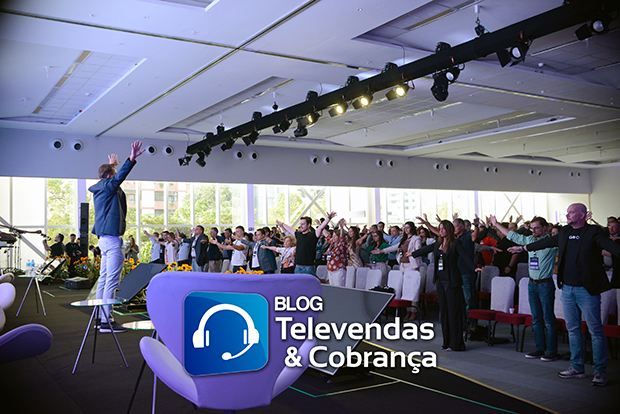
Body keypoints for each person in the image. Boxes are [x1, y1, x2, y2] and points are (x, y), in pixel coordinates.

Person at [509, 203, 620, 386]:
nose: (567, 215)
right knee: (573, 330)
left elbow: (610, 246)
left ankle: (600, 371)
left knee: (595, 331)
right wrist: (523, 248)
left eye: (571, 212)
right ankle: (577, 367)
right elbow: (545, 243)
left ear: (582, 215)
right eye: (567, 212)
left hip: (587, 290)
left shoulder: (593, 232)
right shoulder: (565, 231)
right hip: (567, 289)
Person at [89, 140, 145, 333]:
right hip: (112, 241)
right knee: (111, 281)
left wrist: (112, 165)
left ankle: (100, 318)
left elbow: (111, 176)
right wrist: (131, 159)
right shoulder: (109, 185)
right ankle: (107, 321)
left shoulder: (101, 187)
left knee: (104, 279)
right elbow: (119, 177)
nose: (116, 179)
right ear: (109, 177)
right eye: (113, 173)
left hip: (104, 240)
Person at [490, 215, 560, 362]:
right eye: (532, 228)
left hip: (545, 284)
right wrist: (496, 224)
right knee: (536, 318)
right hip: (532, 283)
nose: (533, 231)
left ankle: (552, 351)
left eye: (537, 228)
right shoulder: (529, 240)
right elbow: (512, 235)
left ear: (545, 228)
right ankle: (539, 348)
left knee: (548, 319)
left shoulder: (551, 243)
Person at [411, 220, 482, 351]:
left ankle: (456, 344)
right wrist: (412, 254)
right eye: (440, 228)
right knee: (444, 311)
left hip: (452, 281)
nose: (441, 230)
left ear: (449, 230)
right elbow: (426, 249)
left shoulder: (456, 243)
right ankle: (447, 342)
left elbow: (465, 256)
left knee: (453, 312)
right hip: (440, 280)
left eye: (443, 228)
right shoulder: (438, 243)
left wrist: (474, 267)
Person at [380, 221, 423, 320]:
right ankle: (407, 311)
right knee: (405, 289)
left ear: (412, 228)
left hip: (411, 265)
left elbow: (418, 248)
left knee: (412, 288)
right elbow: (394, 247)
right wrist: (382, 251)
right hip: (402, 265)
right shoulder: (403, 239)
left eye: (408, 227)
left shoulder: (416, 238)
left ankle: (413, 311)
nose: (406, 229)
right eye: (405, 227)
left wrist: (415, 251)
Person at [325, 219, 348, 285]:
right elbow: (327, 235)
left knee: (339, 287)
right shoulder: (332, 244)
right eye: (333, 236)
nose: (333, 237)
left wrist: (341, 228)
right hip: (330, 269)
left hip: (338, 269)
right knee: (332, 288)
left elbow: (342, 237)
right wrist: (320, 225)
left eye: (335, 236)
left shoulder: (342, 244)